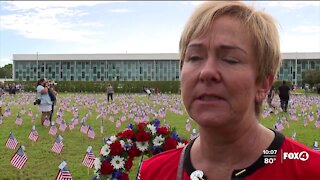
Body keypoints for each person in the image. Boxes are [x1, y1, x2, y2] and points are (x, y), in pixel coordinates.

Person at [139, 1, 320, 180]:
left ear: (263, 84)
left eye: (230, 59)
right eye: (194, 57)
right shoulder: (152, 173)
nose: (207, 72)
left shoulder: (310, 171)